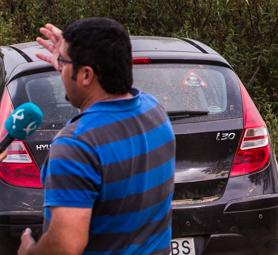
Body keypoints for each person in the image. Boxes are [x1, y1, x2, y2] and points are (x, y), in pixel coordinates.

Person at [17, 20, 175, 255]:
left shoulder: (75, 146)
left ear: (86, 75)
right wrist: (69, 61)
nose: (60, 71)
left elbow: (64, 246)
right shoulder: (154, 112)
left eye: (65, 63)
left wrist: (29, 251)